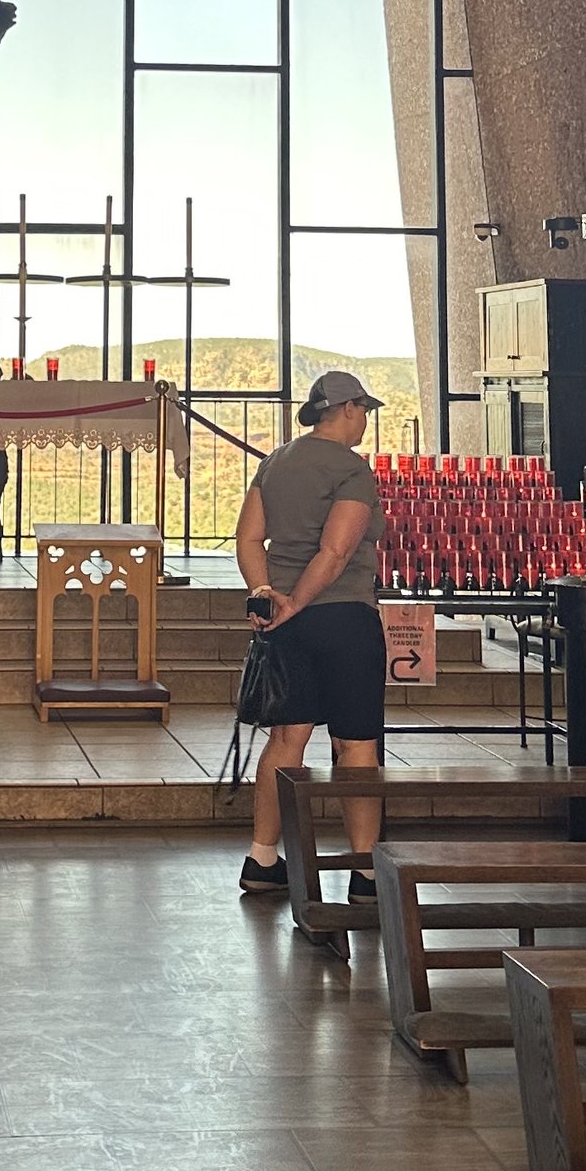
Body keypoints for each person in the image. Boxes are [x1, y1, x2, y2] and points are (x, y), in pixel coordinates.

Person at [233, 372, 390, 902]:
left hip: (284, 623)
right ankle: (365, 873)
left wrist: (267, 593)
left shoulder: (275, 462)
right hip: (343, 616)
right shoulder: (352, 469)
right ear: (347, 408)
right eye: (363, 410)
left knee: (285, 741)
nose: (365, 420)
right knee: (356, 744)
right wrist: (299, 600)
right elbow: (337, 550)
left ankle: (261, 860)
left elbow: (249, 537)